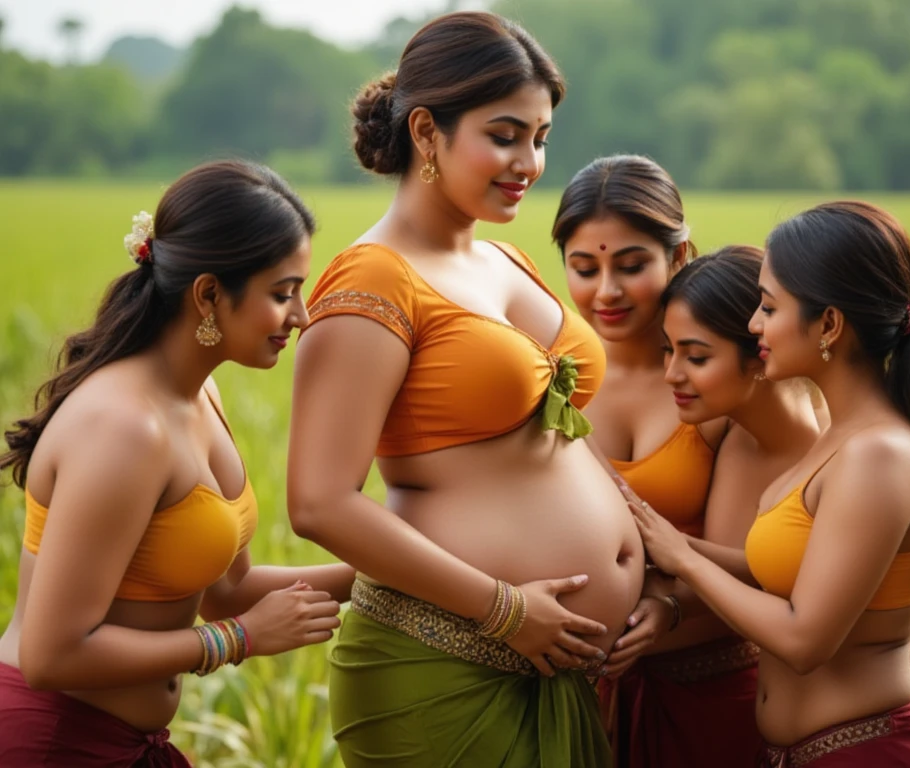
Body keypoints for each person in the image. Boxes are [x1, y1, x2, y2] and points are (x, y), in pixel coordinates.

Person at [285, 12, 644, 767]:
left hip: (559, 668)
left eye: (542, 138)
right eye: (506, 135)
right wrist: (505, 610)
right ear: (426, 132)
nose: (530, 162)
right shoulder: (373, 279)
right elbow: (319, 501)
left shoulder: (508, 261)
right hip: (440, 667)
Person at [0, 160, 353, 767]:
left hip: (126, 744)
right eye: (282, 293)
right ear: (209, 293)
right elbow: (51, 654)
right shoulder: (125, 430)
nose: (300, 317)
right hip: (53, 742)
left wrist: (395, 575)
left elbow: (227, 590)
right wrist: (240, 640)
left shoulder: (199, 397)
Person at [635, 201, 910, 766]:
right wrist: (660, 540)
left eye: (768, 306)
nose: (755, 324)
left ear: (829, 324)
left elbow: (805, 640)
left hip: (871, 754)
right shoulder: (844, 436)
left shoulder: (878, 455)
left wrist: (684, 565)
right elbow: (786, 575)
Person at [555, 157, 760, 767]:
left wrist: (668, 611)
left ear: (678, 256)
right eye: (584, 268)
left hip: (714, 693)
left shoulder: (720, 386)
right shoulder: (550, 375)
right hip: (581, 696)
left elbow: (761, 566)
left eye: (632, 265)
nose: (606, 292)